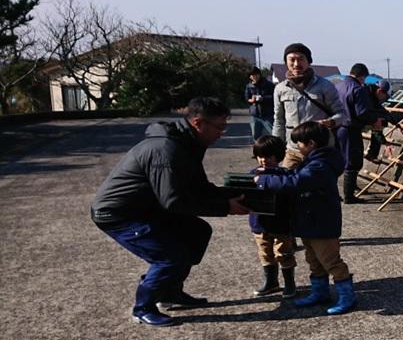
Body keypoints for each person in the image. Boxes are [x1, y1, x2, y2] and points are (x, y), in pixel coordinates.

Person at [90, 97, 251, 327]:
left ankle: (170, 292)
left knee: (197, 232)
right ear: (198, 123)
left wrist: (232, 194)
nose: (223, 132)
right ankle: (142, 307)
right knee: (170, 256)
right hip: (119, 214)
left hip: (147, 207)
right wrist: (226, 208)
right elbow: (173, 202)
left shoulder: (190, 143)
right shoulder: (166, 149)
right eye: (220, 126)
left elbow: (198, 187)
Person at [255, 121, 358, 316]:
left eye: (299, 144)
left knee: (331, 260)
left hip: (322, 222)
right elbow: (294, 174)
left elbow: (297, 181)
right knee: (313, 259)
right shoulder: (315, 160)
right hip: (310, 221)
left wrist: (264, 180)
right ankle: (320, 292)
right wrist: (273, 173)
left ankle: (347, 296)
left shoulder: (321, 164)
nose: (297, 148)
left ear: (311, 143)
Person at [272, 43, 347, 169]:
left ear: (309, 62)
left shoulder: (325, 86)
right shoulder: (280, 89)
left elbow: (342, 114)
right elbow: (279, 120)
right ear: (286, 62)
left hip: (320, 151)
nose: (296, 64)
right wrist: (275, 147)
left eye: (301, 59)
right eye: (292, 60)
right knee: (287, 185)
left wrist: (331, 122)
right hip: (293, 151)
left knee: (320, 187)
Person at [247, 135, 297, 299]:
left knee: (283, 253)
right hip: (259, 223)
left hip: (281, 223)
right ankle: (271, 281)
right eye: (260, 156)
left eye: (268, 156)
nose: (263, 160)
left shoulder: (285, 175)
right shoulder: (252, 174)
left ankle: (289, 282)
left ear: (278, 156)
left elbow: (289, 191)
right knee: (265, 253)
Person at [335, 63, 372, 203]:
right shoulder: (358, 89)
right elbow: (362, 113)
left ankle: (338, 192)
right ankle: (349, 196)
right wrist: (373, 120)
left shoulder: (338, 86)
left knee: (338, 160)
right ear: (362, 76)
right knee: (352, 161)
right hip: (351, 129)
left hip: (337, 128)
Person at [363, 75, 392, 163]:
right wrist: (386, 143)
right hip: (352, 124)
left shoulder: (371, 96)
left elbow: (384, 112)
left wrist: (396, 124)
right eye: (385, 96)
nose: (384, 99)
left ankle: (371, 154)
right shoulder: (367, 97)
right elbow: (377, 131)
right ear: (380, 91)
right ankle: (372, 154)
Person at [245, 67, 276, 140]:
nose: (254, 77)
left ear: (259, 74)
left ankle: (275, 148)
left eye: (256, 74)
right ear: (250, 76)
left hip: (267, 114)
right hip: (255, 115)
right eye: (252, 75)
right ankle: (258, 149)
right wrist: (251, 100)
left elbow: (274, 97)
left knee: (273, 134)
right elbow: (246, 98)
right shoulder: (249, 86)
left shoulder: (269, 85)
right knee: (256, 136)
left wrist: (263, 98)